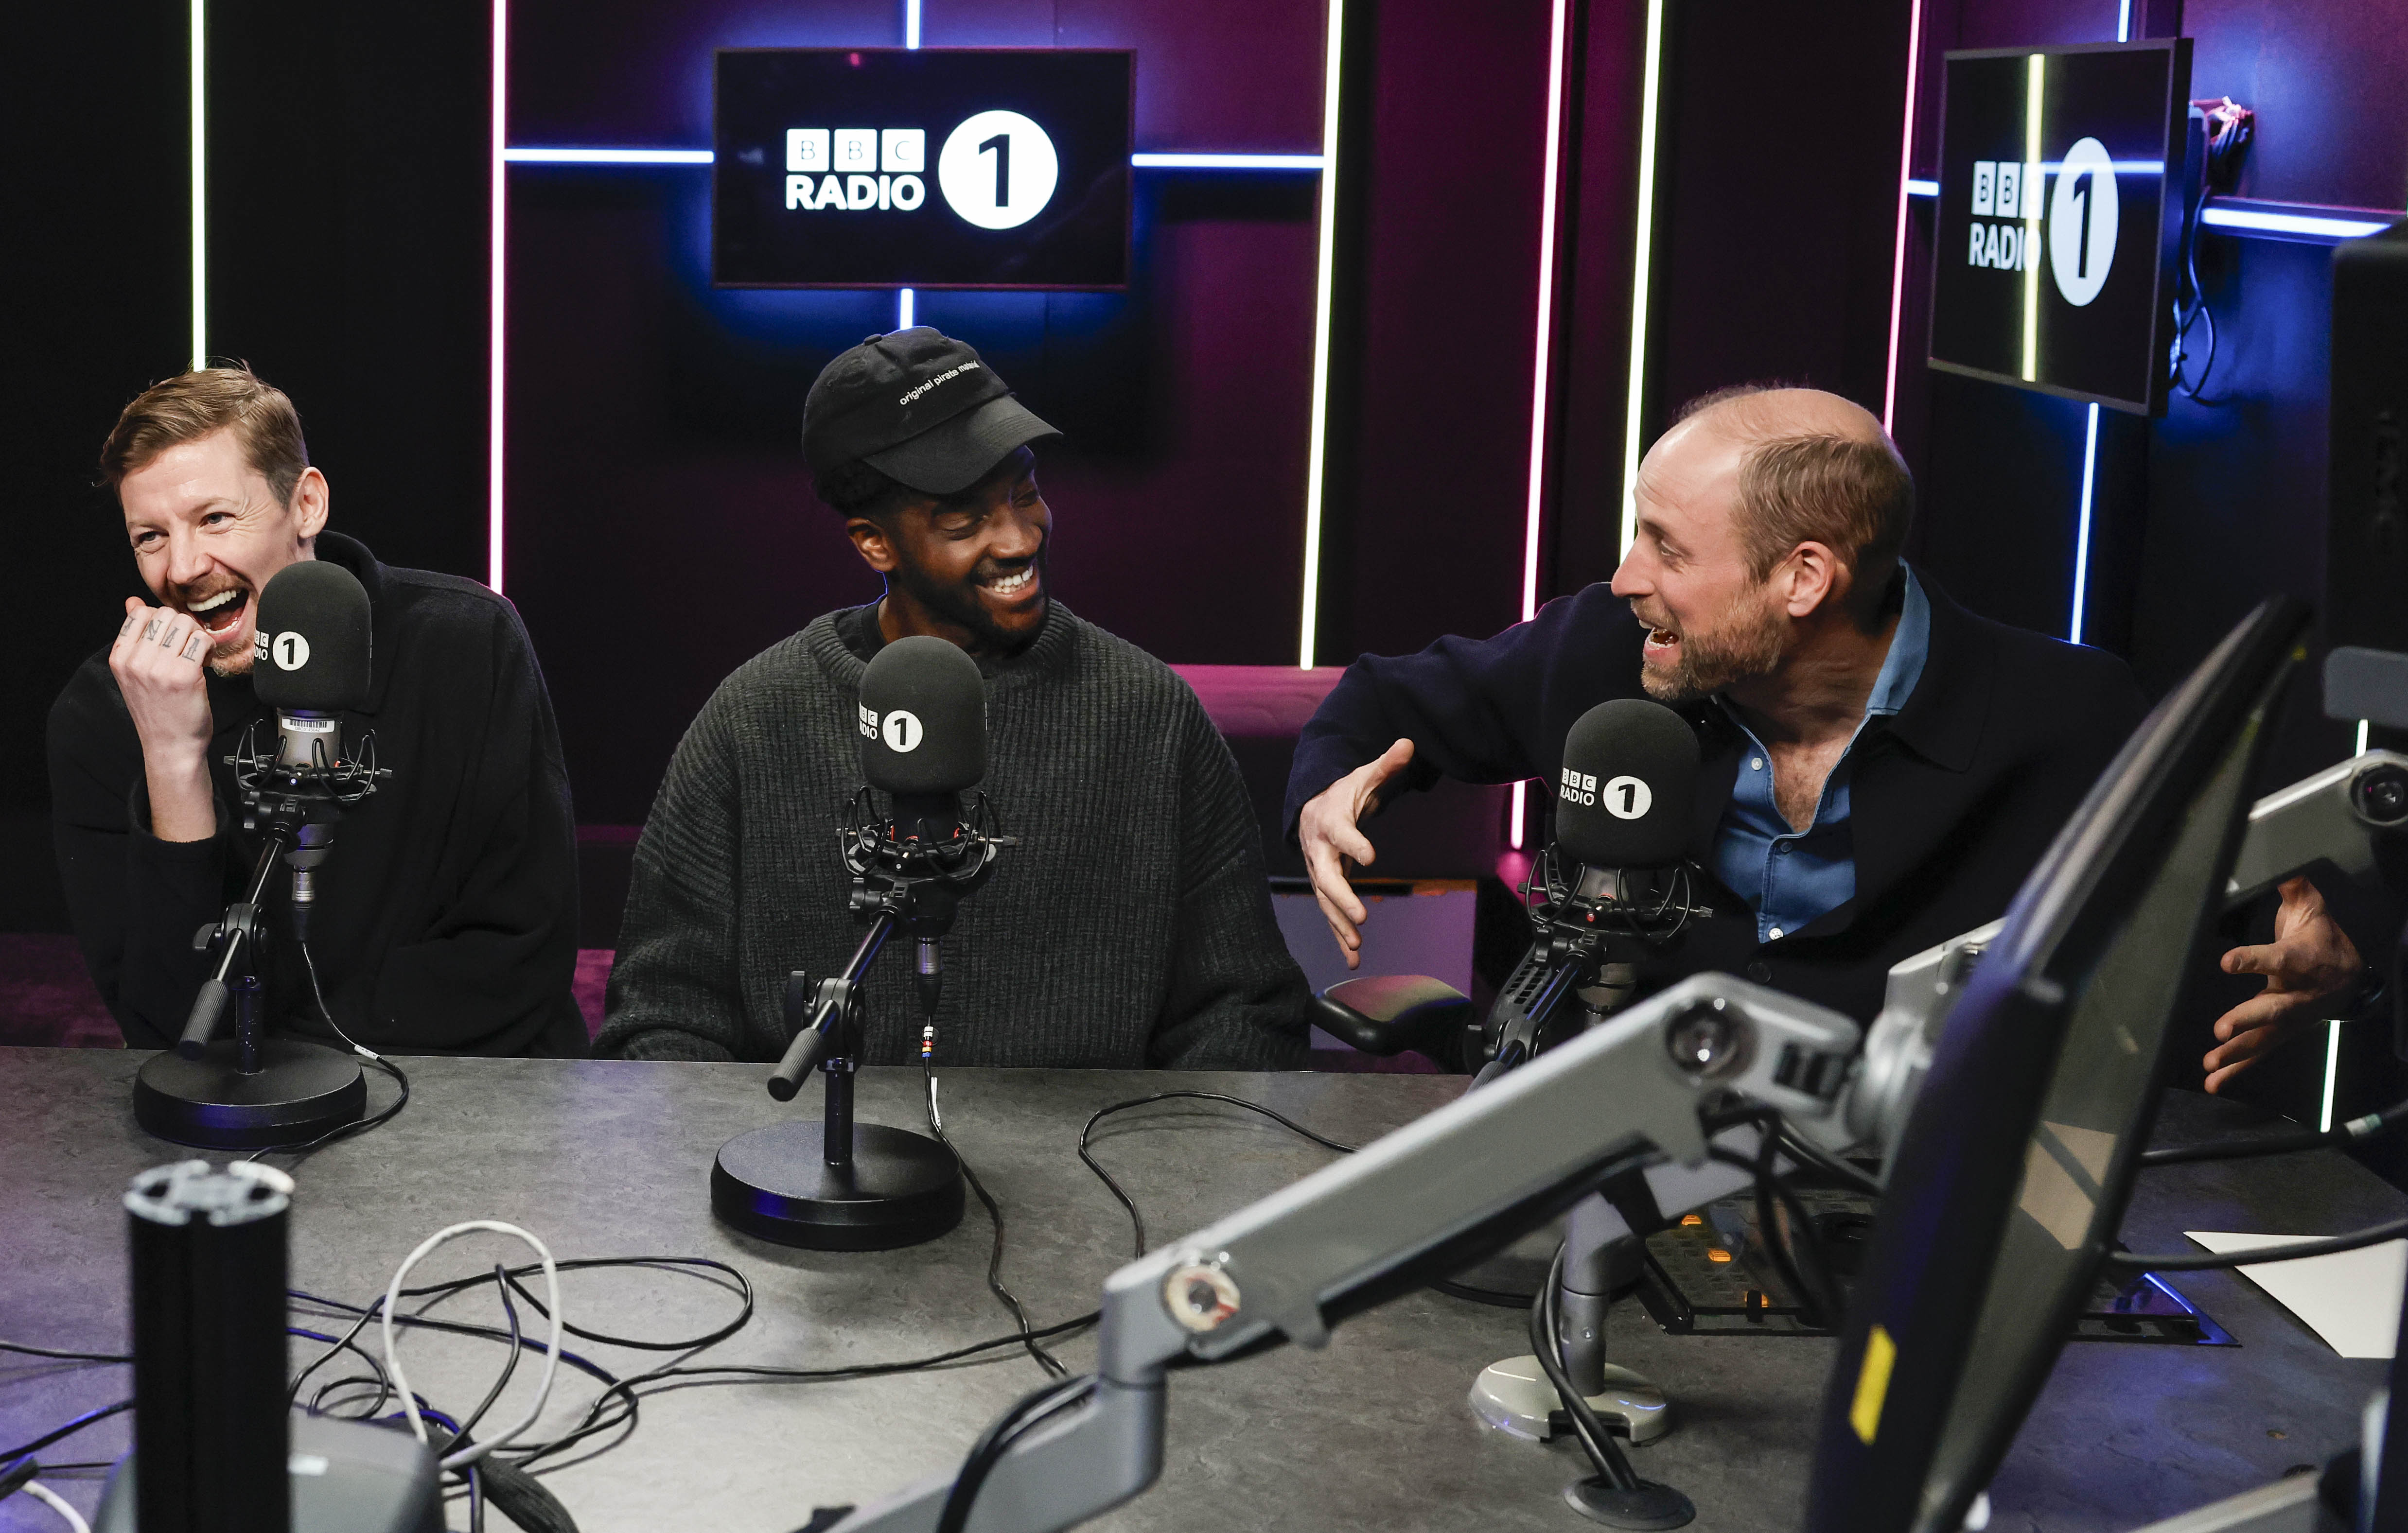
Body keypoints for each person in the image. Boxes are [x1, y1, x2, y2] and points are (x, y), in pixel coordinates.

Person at [1292, 384, 2366, 1088]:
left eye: (1666, 547)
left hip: (1909, 1211)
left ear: (1802, 577)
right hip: (1627, 1163)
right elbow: (1383, 704)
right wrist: (1329, 789)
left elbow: (2282, 908)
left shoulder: (2068, 715)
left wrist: (2338, 952)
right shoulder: (1605, 652)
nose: (1623, 578)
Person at [598, 328, 1310, 1068]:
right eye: (964, 520)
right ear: (875, 543)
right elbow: (661, 1015)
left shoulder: (1150, 712)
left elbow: (1243, 1012)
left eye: (1025, 493)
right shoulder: (753, 718)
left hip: (1102, 1143)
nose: (1018, 538)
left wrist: (1165, 1140)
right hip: (804, 1139)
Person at [48, 367, 585, 1056]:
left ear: (306, 504)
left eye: (214, 519)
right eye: (150, 536)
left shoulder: (468, 643)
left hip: (478, 1088)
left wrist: (273, 1048)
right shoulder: (101, 712)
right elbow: (170, 1029)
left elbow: (520, 953)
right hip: (242, 1108)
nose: (181, 569)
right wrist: (173, 760)